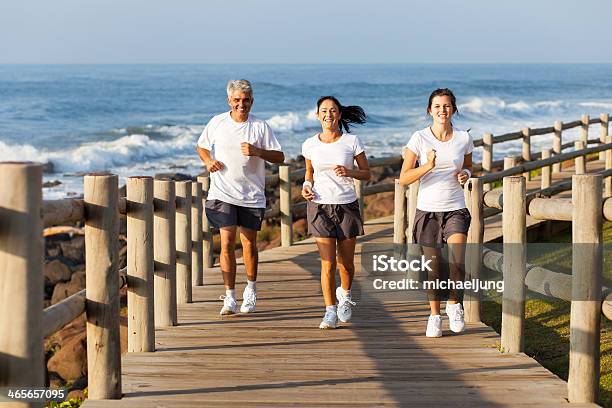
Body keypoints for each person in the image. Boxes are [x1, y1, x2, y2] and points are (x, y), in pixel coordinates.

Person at [196, 79, 284, 315]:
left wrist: (258, 151)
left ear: (252, 101)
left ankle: (251, 289)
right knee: (225, 243)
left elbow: (279, 156)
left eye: (245, 100)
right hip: (222, 192)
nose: (241, 104)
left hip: (251, 196)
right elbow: (202, 146)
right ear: (229, 101)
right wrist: (208, 161)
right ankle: (229, 296)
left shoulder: (260, 127)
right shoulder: (217, 122)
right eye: (236, 100)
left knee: (249, 244)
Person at [399, 88, 473, 337]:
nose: (443, 110)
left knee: (457, 261)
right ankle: (434, 315)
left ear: (454, 109)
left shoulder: (463, 138)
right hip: (428, 211)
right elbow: (404, 178)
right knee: (434, 269)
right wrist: (427, 166)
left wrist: (466, 175)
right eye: (438, 106)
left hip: (455, 208)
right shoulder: (419, 138)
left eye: (447, 106)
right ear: (430, 110)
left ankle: (454, 304)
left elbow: (469, 167)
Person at [301, 96, 371, 329]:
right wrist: (306, 186)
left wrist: (349, 172)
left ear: (339, 115)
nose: (328, 114)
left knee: (346, 264)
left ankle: (345, 294)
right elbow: (309, 173)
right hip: (320, 206)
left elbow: (366, 173)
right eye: (324, 110)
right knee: (327, 264)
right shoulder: (310, 144)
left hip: (346, 206)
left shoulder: (351, 141)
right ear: (317, 115)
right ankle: (330, 311)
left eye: (333, 111)